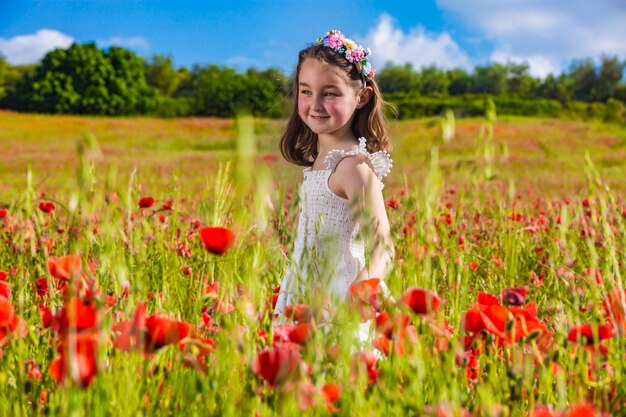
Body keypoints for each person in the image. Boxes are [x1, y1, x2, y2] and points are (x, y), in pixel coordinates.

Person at [273, 30, 394, 335]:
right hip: (304, 289)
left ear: (361, 97)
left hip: (338, 297)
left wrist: (360, 296)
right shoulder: (323, 160)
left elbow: (384, 248)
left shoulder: (353, 167)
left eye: (330, 93)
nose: (315, 104)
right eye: (305, 91)